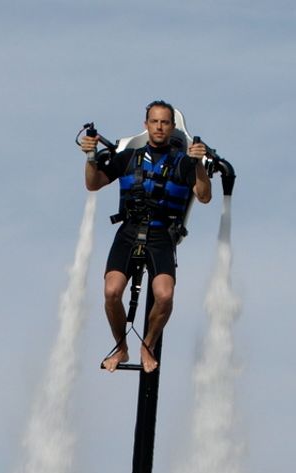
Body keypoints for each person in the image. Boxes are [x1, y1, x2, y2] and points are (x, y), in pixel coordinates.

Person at [79, 101, 212, 373]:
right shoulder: (129, 158)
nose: (159, 127)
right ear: (146, 125)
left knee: (164, 295)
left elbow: (205, 195)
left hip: (161, 233)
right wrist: (91, 157)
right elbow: (93, 183)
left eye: (165, 122)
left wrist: (198, 163)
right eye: (155, 121)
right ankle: (121, 346)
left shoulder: (183, 163)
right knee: (111, 290)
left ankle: (147, 345)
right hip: (128, 231)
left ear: (172, 127)